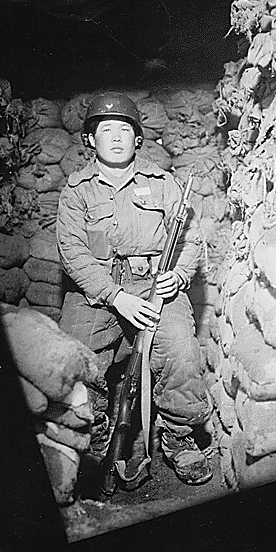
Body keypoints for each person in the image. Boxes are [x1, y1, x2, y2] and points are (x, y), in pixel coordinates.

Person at [56, 92, 213, 485]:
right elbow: (72, 253)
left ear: (137, 139)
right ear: (90, 139)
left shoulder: (163, 184)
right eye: (105, 129)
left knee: (180, 346)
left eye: (124, 129)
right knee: (75, 353)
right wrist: (115, 296)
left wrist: (177, 276)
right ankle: (93, 431)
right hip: (98, 288)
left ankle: (179, 437)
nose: (115, 137)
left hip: (155, 283)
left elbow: (191, 237)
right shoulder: (76, 191)